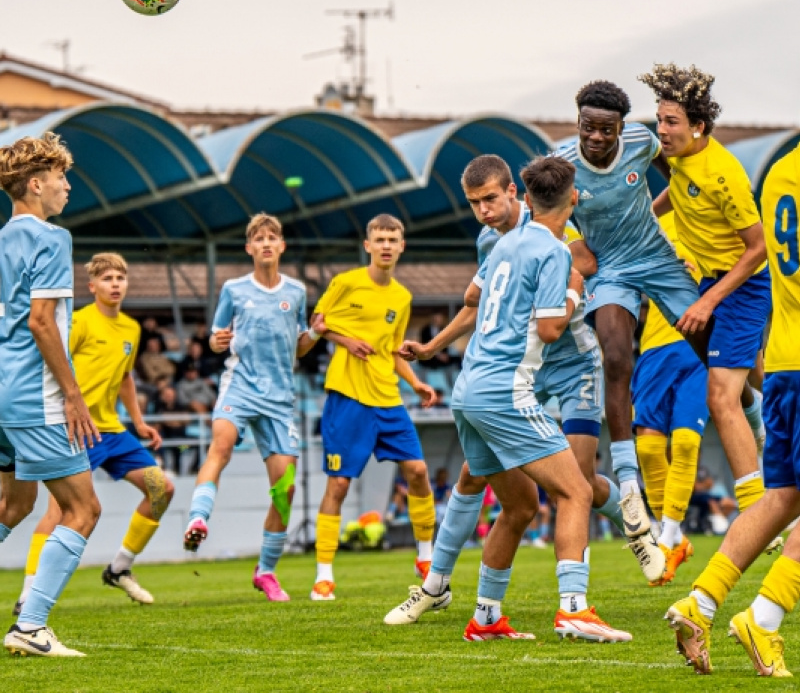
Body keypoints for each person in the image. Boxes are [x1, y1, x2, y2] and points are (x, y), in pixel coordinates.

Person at [385, 154, 639, 629]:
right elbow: (547, 327)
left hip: (471, 387)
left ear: (518, 195)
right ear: (573, 200)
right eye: (475, 203)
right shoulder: (545, 247)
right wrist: (573, 290)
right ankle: (573, 608)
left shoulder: (506, 244)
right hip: (508, 388)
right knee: (576, 492)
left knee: (520, 505)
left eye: (488, 199)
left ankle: (484, 616)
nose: (483, 210)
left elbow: (476, 300)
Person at [664, 144, 800, 677]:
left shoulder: (780, 173)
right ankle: (763, 619)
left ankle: (700, 602)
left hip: (787, 363)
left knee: (783, 497)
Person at [555, 80, 704, 568]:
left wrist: (659, 215)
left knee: (716, 348)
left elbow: (678, 176)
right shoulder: (562, 165)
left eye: (606, 129)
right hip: (611, 268)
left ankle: (757, 429)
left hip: (656, 257)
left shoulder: (642, 142)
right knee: (616, 355)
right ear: (577, 122)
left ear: (622, 127)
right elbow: (545, 224)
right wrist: (573, 248)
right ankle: (628, 484)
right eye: (587, 127)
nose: (596, 138)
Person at [639, 65, 770, 527]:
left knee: (720, 397)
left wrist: (708, 300)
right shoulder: (677, 158)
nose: (662, 131)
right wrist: (643, 221)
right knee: (752, 377)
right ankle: (763, 427)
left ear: (700, 127)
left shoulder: (724, 175)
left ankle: (757, 513)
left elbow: (758, 250)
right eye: (660, 120)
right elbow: (676, 191)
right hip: (708, 283)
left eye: (671, 122)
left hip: (743, 284)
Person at [13, 253, 173, 614]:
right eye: (107, 278)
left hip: (113, 432)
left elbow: (126, 377)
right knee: (59, 513)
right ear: (92, 286)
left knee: (161, 489)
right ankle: (27, 595)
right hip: (76, 431)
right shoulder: (78, 322)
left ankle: (119, 568)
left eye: (120, 277)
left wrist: (139, 421)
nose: (115, 284)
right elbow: (50, 364)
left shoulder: (132, 328)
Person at [183, 213, 321, 602]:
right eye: (258, 238)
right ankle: (197, 518)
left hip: (279, 400)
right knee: (220, 448)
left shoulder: (295, 292)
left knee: (285, 490)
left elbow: (297, 346)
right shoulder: (233, 289)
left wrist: (314, 333)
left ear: (281, 247)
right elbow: (215, 338)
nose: (265, 243)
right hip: (239, 388)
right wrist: (215, 342)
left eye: (271, 237)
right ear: (248, 248)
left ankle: (266, 571)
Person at [0, 132, 101, 657]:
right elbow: (42, 322)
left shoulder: (1, 240)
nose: (67, 187)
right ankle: (30, 625)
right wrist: (73, 395)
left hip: (2, 392)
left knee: (11, 506)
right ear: (36, 185)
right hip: (34, 397)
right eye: (61, 178)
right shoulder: (50, 237)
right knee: (83, 509)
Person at [309, 214, 437, 601]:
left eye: (392, 239)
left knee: (417, 471)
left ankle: (426, 558)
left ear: (402, 246)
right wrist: (346, 341)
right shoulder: (345, 283)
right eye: (379, 239)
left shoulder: (402, 298)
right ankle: (323, 574)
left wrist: (415, 383)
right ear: (367, 245)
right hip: (347, 397)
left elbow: (392, 350)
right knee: (340, 484)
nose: (385, 245)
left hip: (388, 398)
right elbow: (317, 323)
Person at [633, 213, 706, 586]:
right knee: (647, 448)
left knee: (687, 441)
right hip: (655, 346)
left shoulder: (725, 219)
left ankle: (666, 538)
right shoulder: (654, 221)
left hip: (699, 345)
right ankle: (673, 536)